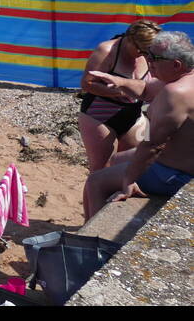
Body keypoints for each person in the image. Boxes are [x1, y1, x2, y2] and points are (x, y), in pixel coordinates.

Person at [83, 30, 194, 218]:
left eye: (154, 58)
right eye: (147, 54)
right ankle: (87, 226)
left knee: (96, 181)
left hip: (177, 175)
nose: (148, 62)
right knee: (117, 159)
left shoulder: (175, 93)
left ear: (176, 64)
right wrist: (118, 81)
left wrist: (129, 180)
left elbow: (153, 145)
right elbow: (146, 89)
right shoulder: (182, 80)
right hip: (176, 162)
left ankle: (94, 239)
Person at [77, 20, 161, 173]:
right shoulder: (107, 51)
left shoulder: (150, 53)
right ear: (129, 40)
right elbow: (87, 83)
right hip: (100, 114)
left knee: (142, 160)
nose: (145, 55)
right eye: (142, 51)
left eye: (148, 52)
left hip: (134, 113)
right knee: (100, 170)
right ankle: (93, 196)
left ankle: (118, 194)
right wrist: (120, 92)